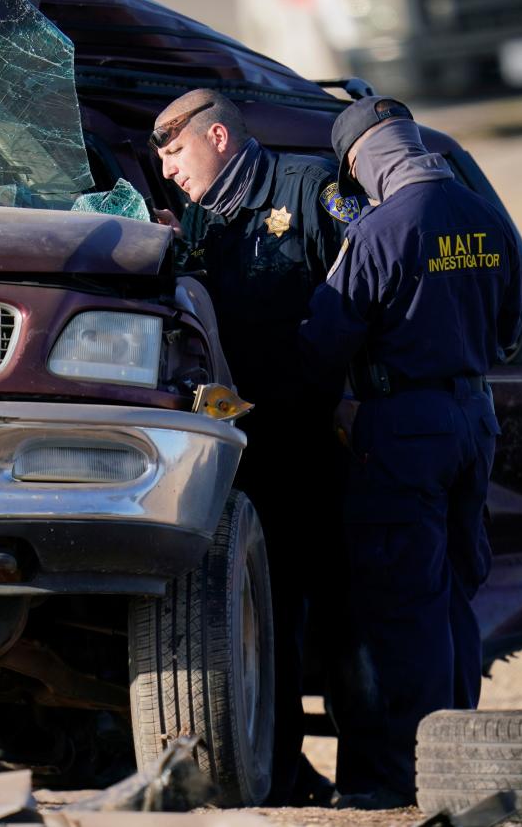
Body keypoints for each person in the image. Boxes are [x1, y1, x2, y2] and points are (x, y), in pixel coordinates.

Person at [297, 96, 522, 808]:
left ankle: (407, 776)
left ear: (362, 161)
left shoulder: (379, 231)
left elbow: (320, 346)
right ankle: (459, 764)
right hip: (474, 418)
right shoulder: (490, 218)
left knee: (406, 606)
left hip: (404, 428)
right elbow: (512, 334)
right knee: (457, 595)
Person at [150, 89, 360, 805]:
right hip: (245, 453)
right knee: (266, 617)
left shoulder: (313, 192)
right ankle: (283, 772)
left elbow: (375, 291)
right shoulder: (202, 224)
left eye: (175, 153)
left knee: (342, 612)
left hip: (322, 443)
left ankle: (373, 774)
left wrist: (360, 403)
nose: (170, 170)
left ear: (217, 135)